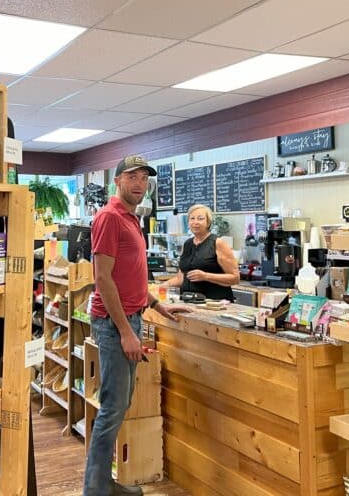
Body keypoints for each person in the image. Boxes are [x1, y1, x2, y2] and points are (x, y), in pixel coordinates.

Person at [83, 154, 191, 496]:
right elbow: (103, 278)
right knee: (113, 408)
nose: (139, 184)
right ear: (118, 181)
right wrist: (127, 332)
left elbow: (129, 276)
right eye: (132, 177)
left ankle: (104, 484)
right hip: (114, 325)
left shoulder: (132, 219)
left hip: (130, 318)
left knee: (120, 403)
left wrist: (157, 304)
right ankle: (95, 490)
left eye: (144, 178)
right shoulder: (109, 218)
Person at [164, 204, 238, 301]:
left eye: (200, 218)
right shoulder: (187, 244)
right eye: (192, 218)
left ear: (208, 222)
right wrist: (162, 285)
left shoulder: (218, 243)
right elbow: (181, 278)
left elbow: (235, 278)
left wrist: (206, 276)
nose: (195, 222)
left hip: (214, 303)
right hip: (188, 301)